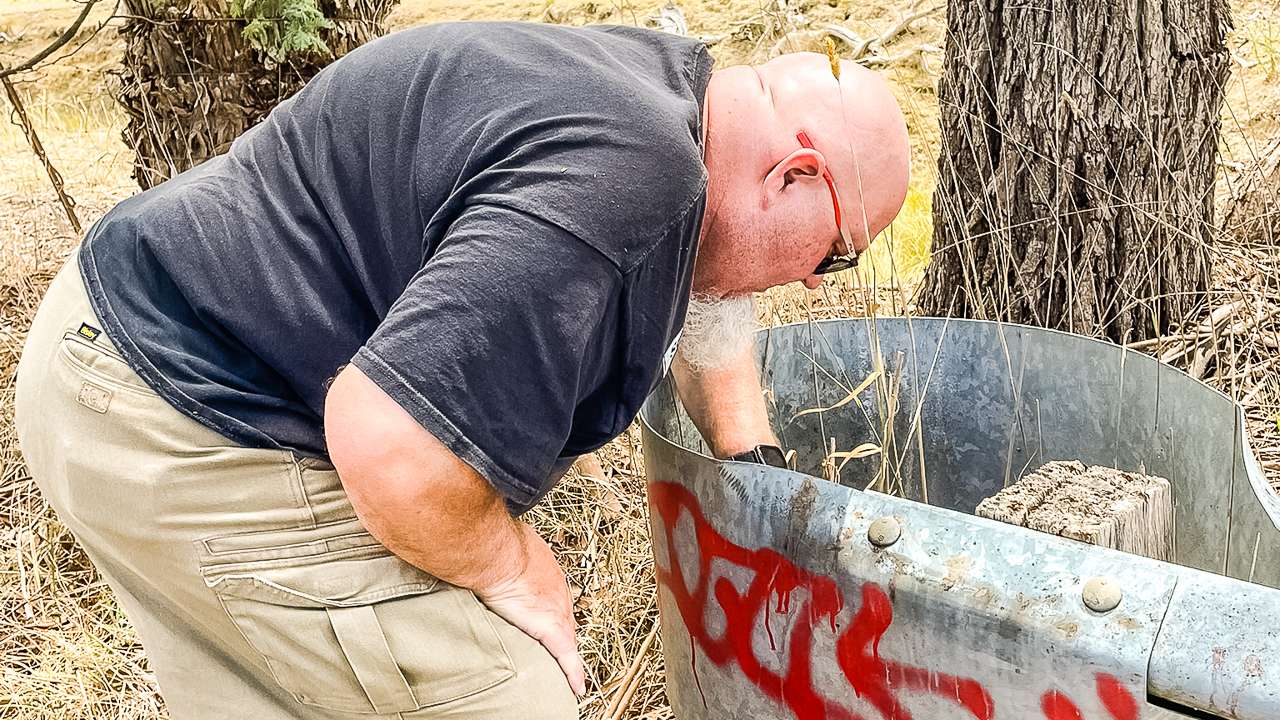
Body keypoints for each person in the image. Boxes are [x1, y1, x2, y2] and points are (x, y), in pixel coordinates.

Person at [15, 20, 909, 720]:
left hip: (111, 340)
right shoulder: (633, 176)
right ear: (792, 173)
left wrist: (749, 457)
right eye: (834, 254)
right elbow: (392, 445)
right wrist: (518, 567)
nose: (806, 279)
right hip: (183, 411)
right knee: (514, 697)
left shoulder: (668, 96)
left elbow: (712, 291)